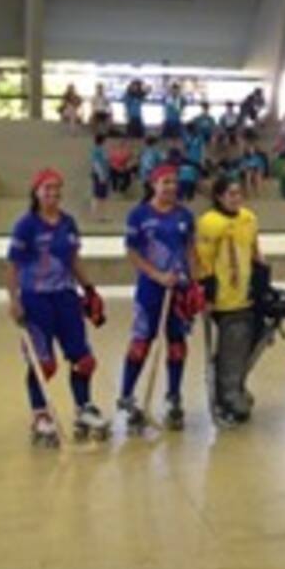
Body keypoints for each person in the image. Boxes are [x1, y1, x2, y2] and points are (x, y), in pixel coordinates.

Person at [6, 168, 109, 446]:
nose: (53, 194)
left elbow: (74, 259)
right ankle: (40, 414)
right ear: (36, 192)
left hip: (65, 296)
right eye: (47, 188)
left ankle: (83, 407)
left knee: (83, 359)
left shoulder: (68, 223)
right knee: (44, 363)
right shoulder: (26, 225)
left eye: (57, 188)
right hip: (35, 298)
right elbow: (13, 265)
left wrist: (89, 289)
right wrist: (13, 300)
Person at [117, 165, 203, 433]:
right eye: (165, 182)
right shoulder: (139, 215)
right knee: (141, 343)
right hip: (151, 291)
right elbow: (132, 253)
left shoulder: (184, 215)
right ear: (153, 184)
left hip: (179, 290)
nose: (171, 187)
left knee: (177, 344)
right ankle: (128, 395)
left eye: (174, 182)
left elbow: (190, 249)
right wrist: (157, 275)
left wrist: (195, 282)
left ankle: (173, 397)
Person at [195, 175, 264, 428]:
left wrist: (263, 283)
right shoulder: (209, 223)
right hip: (224, 298)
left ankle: (235, 385)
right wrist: (208, 293)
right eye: (231, 194)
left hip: (247, 295)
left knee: (250, 344)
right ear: (219, 197)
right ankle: (227, 395)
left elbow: (255, 251)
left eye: (239, 194)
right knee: (233, 346)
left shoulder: (249, 218)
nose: (236, 199)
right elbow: (204, 261)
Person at [89, 134, 110, 221]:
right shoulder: (98, 151)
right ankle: (97, 215)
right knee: (98, 195)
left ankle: (101, 215)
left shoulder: (100, 150)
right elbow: (96, 164)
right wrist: (101, 175)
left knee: (102, 196)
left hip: (102, 174)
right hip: (100, 175)